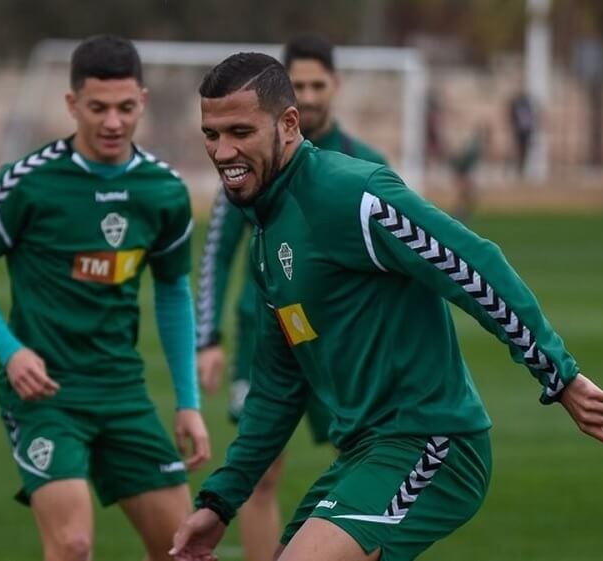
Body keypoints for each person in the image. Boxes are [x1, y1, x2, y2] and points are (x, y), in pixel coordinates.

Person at [172, 52, 603, 561]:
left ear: (288, 125)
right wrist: (221, 502)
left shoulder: (351, 193)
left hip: (432, 441)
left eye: (240, 131)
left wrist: (559, 375)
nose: (223, 151)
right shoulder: (266, 235)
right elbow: (277, 388)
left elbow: (473, 266)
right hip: (365, 452)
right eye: (211, 134)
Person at [0, 35, 210, 561]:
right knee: (72, 546)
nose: (112, 122)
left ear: (143, 100)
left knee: (184, 551)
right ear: (72, 105)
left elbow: (173, 291)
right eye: (97, 108)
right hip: (47, 396)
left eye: (125, 107)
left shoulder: (163, 191)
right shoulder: (27, 182)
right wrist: (12, 351)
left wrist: (188, 403)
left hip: (122, 392)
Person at [195, 34, 387, 561]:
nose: (308, 92)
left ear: (334, 88)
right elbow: (216, 253)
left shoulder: (363, 166)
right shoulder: (244, 163)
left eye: (316, 84)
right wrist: (207, 337)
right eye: (298, 83)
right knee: (261, 471)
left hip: (340, 348)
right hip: (266, 339)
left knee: (364, 462)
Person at [507, 90, 536, 175]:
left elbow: (531, 118)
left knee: (525, 150)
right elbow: (512, 116)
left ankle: (522, 167)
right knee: (518, 149)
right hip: (519, 130)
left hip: (526, 131)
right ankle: (517, 167)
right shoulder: (517, 106)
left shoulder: (527, 106)